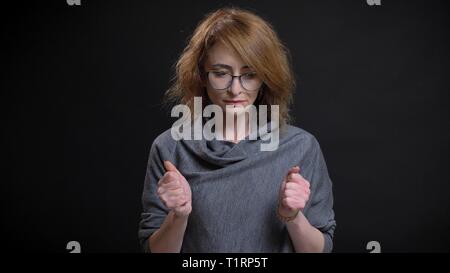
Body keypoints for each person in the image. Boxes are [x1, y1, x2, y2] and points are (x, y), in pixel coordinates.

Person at [138, 7, 336, 253]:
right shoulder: (169, 147)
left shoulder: (301, 147)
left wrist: (293, 216)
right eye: (221, 73)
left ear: (265, 79)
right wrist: (179, 215)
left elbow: (320, 249)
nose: (235, 89)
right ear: (201, 75)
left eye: (249, 75)